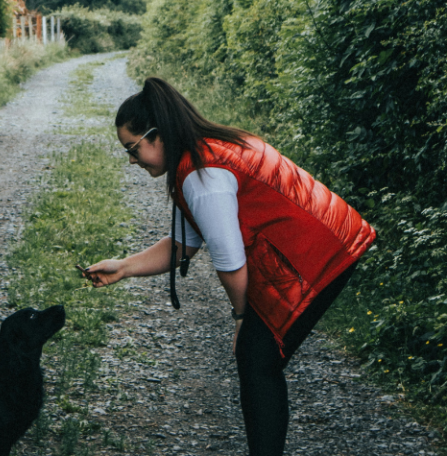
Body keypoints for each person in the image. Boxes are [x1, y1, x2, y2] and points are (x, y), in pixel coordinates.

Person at [81, 77, 376, 456]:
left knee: (256, 362)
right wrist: (123, 267)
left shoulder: (202, 175)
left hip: (320, 254)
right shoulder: (204, 152)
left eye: (133, 149)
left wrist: (241, 317)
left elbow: (230, 262)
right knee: (257, 361)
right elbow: (186, 242)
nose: (132, 160)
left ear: (157, 135)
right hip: (329, 241)